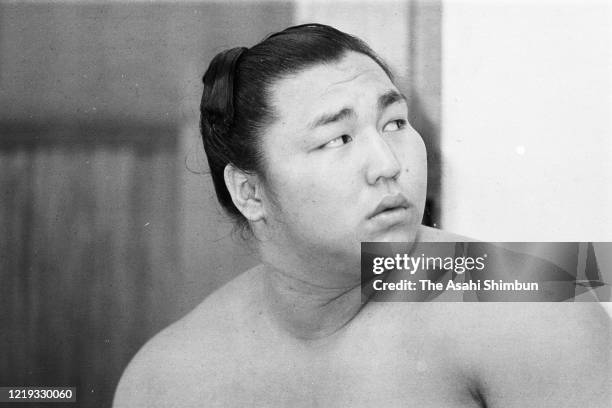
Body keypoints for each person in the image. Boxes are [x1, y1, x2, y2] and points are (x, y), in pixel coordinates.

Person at [113, 24, 610, 407]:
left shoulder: (539, 300)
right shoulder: (165, 378)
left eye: (394, 123)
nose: (389, 165)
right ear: (250, 192)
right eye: (338, 139)